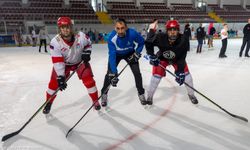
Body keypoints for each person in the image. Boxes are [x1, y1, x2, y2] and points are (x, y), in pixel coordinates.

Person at [43, 17, 101, 114]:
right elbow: (58, 61)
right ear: (59, 29)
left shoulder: (81, 36)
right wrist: (61, 77)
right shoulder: (55, 42)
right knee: (53, 85)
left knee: (89, 81)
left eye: (67, 27)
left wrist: (87, 52)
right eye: (62, 27)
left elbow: (88, 44)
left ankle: (95, 100)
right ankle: (48, 103)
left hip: (79, 62)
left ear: (71, 27)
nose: (65, 30)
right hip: (64, 64)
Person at [145, 20, 198, 105]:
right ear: (167, 31)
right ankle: (149, 96)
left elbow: (182, 57)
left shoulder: (184, 39)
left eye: (175, 30)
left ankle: (191, 94)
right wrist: (151, 55)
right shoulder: (160, 37)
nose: (172, 32)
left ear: (178, 30)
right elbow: (148, 42)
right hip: (162, 58)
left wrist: (180, 71)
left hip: (177, 59)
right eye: (170, 30)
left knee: (188, 78)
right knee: (155, 78)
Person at [100, 18, 146, 106]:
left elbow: (141, 42)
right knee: (109, 74)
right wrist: (114, 73)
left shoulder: (132, 33)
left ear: (126, 27)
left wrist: (137, 53)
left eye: (122, 28)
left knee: (137, 73)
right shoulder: (111, 38)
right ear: (115, 28)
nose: (120, 31)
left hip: (130, 53)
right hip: (117, 55)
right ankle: (104, 93)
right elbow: (112, 56)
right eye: (118, 28)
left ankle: (141, 93)